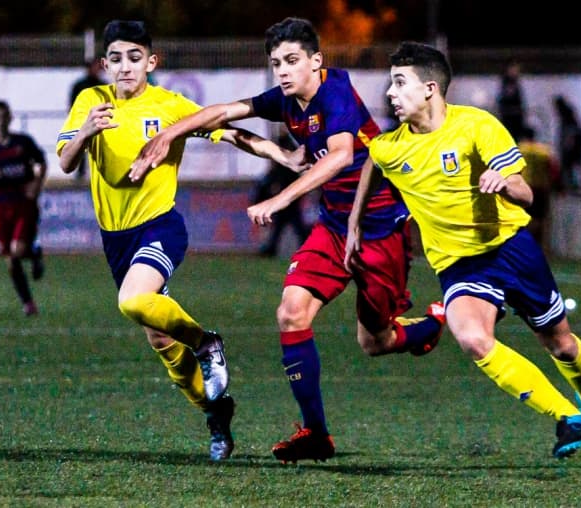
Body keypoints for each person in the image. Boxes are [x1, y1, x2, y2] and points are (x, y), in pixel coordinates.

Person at [131, 17, 446, 465]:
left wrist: (279, 198)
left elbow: (339, 155)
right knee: (291, 311)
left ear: (316, 62)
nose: (282, 70)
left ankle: (435, 322)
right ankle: (316, 433)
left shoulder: (335, 93)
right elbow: (223, 112)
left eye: (292, 61)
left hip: (379, 231)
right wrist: (169, 133)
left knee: (376, 341)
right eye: (276, 62)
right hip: (335, 227)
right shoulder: (287, 101)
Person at [347, 41, 581, 460]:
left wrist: (504, 182)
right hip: (459, 266)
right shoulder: (391, 146)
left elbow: (527, 194)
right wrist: (354, 224)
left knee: (561, 345)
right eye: (390, 83)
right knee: (473, 339)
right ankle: (569, 417)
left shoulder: (477, 126)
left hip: (511, 249)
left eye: (399, 83)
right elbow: (373, 162)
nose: (389, 93)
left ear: (430, 89)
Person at [55, 20, 306, 461]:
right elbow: (65, 162)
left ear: (152, 62)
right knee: (158, 339)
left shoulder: (170, 105)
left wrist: (281, 153)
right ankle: (216, 413)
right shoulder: (91, 101)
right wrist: (86, 132)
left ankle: (208, 343)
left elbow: (231, 133)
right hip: (115, 239)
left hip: (159, 227)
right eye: (116, 58)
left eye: (135, 58)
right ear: (104, 64)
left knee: (133, 300)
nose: (126, 67)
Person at [0, 100, 46, 317]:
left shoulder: (23, 142)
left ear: (10, 118)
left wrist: (37, 185)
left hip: (24, 203)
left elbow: (41, 163)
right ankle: (28, 302)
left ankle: (31, 253)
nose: (0, 120)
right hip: (0, 207)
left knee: (16, 251)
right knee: (11, 261)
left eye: (4, 116)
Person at [253, 131, 310, 257]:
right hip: (289, 191)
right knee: (291, 224)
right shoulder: (287, 144)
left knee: (290, 224)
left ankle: (272, 248)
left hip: (287, 191)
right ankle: (304, 247)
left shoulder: (285, 145)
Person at [516, 126, 560, 254]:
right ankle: (539, 246)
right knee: (540, 219)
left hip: (523, 187)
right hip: (541, 188)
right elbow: (554, 170)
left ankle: (522, 245)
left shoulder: (519, 148)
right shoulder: (544, 150)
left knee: (521, 218)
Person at [68, 59, 106, 181]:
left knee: (101, 147)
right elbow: (73, 104)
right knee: (80, 146)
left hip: (100, 120)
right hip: (83, 120)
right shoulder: (79, 85)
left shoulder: (103, 84)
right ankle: (80, 173)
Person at [553, 95, 581, 191]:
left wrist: (567, 143)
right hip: (573, 142)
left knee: (568, 165)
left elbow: (570, 130)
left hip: (570, 143)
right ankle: (573, 184)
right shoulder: (569, 114)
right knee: (573, 165)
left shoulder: (566, 115)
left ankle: (570, 185)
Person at [496, 60, 526, 140]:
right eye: (514, 69)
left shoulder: (514, 82)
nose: (516, 72)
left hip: (514, 117)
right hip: (510, 118)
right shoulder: (507, 83)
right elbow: (507, 99)